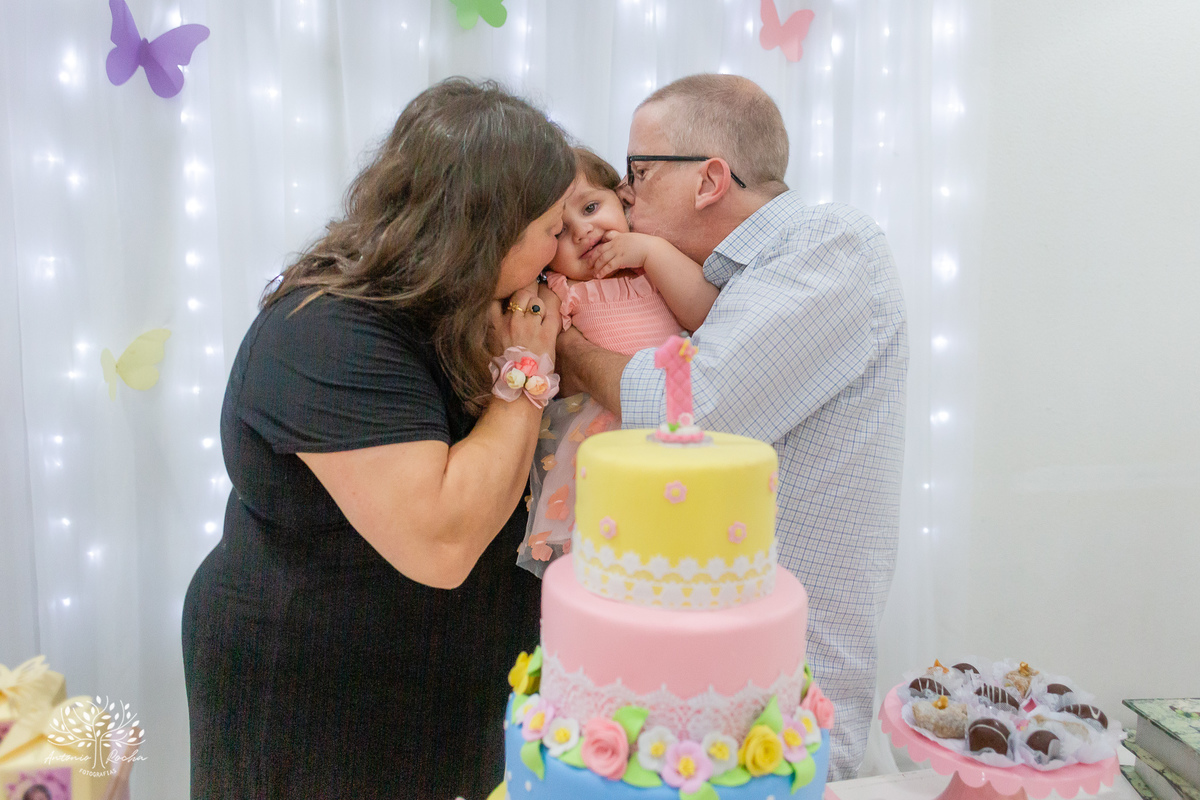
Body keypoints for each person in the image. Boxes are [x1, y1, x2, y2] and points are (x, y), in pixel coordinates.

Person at [182, 78, 575, 799]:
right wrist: (526, 373)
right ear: (489, 228)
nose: (564, 245)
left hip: (438, 681)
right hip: (319, 691)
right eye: (552, 226)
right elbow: (441, 540)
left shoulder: (463, 303)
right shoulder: (325, 333)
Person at [555, 73, 908, 779]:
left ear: (710, 179)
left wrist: (562, 349)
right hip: (695, 693)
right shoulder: (728, 281)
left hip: (781, 705)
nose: (624, 195)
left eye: (638, 173)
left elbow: (689, 408)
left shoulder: (829, 246)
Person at [517, 147, 716, 572]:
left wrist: (649, 252)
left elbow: (706, 312)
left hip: (673, 427)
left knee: (681, 545)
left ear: (623, 200)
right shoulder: (561, 291)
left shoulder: (655, 266)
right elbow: (544, 361)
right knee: (614, 559)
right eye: (560, 230)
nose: (583, 231)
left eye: (592, 207)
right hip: (599, 445)